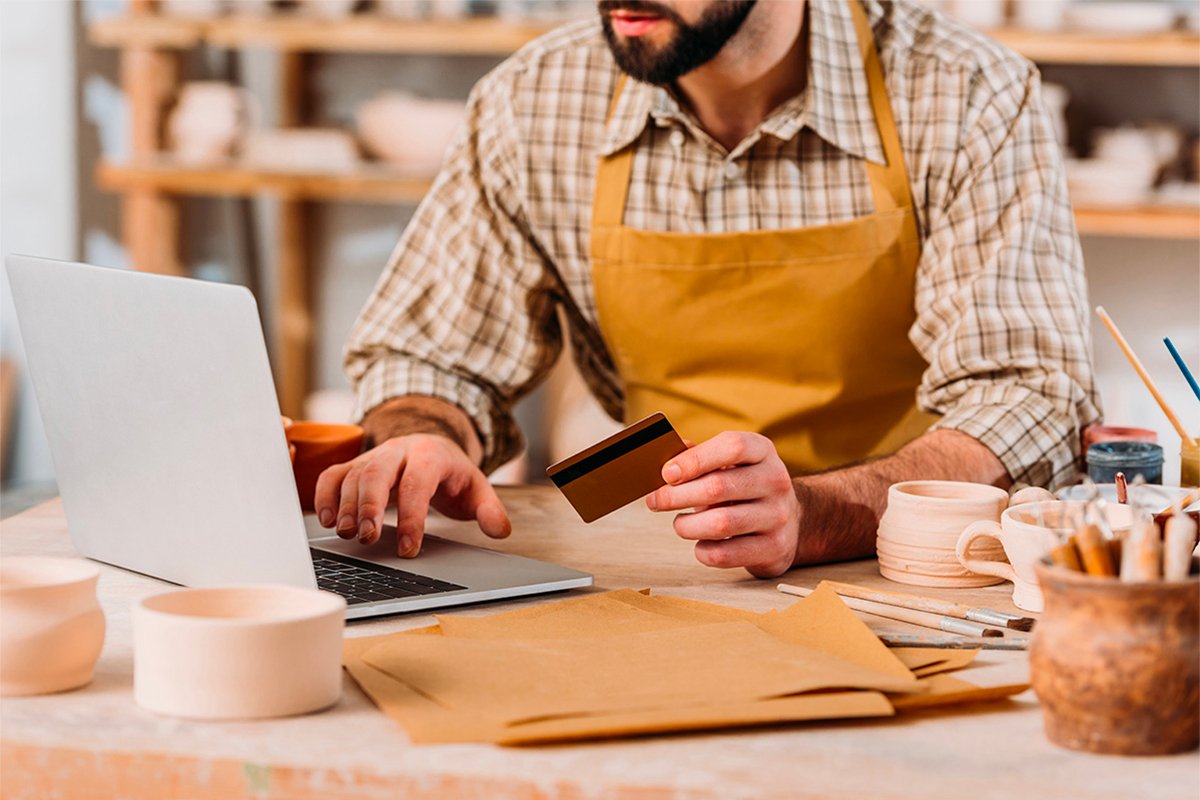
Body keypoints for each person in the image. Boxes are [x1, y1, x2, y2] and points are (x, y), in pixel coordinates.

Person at [317, 0, 1100, 578]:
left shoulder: (965, 91)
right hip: (663, 562)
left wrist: (813, 514)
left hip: (909, 570)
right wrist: (423, 432)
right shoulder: (535, 100)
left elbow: (1029, 397)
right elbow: (431, 359)